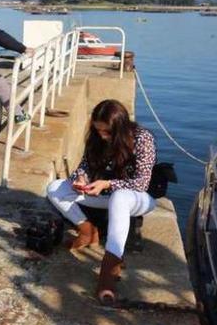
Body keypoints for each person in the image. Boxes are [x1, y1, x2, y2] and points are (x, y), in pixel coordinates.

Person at [46, 99, 157, 302]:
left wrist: (107, 184)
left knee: (120, 198)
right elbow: (84, 166)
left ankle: (110, 266)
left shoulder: (142, 139)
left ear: (120, 128)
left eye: (107, 131)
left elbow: (142, 183)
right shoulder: (96, 139)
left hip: (136, 199)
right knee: (54, 188)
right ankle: (87, 232)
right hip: (101, 194)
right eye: (98, 130)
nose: (102, 135)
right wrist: (80, 179)